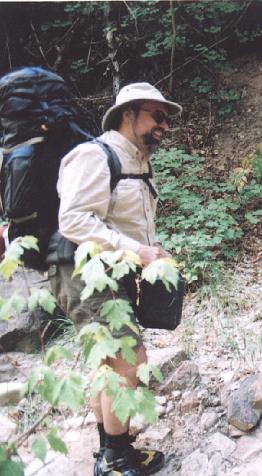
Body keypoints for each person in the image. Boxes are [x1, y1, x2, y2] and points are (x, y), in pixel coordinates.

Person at [48, 83, 181, 475]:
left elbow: (125, 221)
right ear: (128, 114)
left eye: (166, 118)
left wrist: (152, 252)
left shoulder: (135, 161)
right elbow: (73, 219)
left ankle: (111, 450)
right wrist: (137, 251)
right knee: (128, 359)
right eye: (157, 115)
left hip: (107, 272)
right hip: (81, 271)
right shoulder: (94, 156)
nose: (164, 124)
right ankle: (116, 460)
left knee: (108, 362)